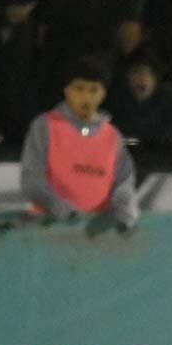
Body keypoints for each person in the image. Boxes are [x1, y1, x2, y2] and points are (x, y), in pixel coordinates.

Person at [19, 55, 139, 231]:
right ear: (67, 90)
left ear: (103, 94)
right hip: (50, 229)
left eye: (93, 90)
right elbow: (31, 180)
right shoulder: (45, 126)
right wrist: (60, 208)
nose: (86, 97)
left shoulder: (113, 137)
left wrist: (125, 210)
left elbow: (124, 182)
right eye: (79, 89)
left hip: (96, 235)